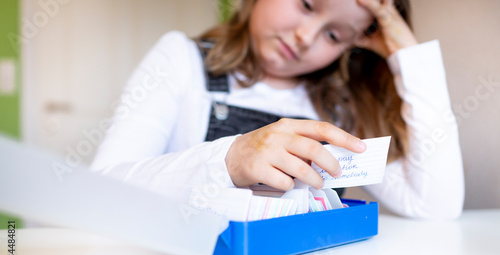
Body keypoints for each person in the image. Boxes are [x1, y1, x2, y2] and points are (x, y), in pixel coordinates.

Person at [90, 0, 464, 219]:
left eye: (334, 36)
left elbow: (437, 205)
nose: (305, 37)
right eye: (305, 3)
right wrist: (230, 160)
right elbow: (100, 192)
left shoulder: (340, 106)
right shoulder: (181, 60)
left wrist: (409, 55)